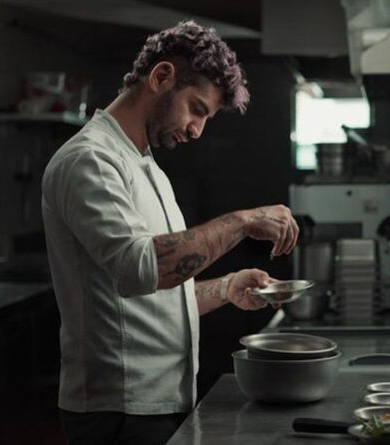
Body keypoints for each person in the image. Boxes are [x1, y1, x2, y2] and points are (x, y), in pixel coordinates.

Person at [41, 21, 299, 445]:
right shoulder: (89, 161)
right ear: (162, 77)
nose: (198, 129)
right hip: (118, 411)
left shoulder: (148, 168)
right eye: (196, 108)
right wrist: (243, 221)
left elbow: (156, 296)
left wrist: (228, 288)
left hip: (160, 402)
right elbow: (141, 269)